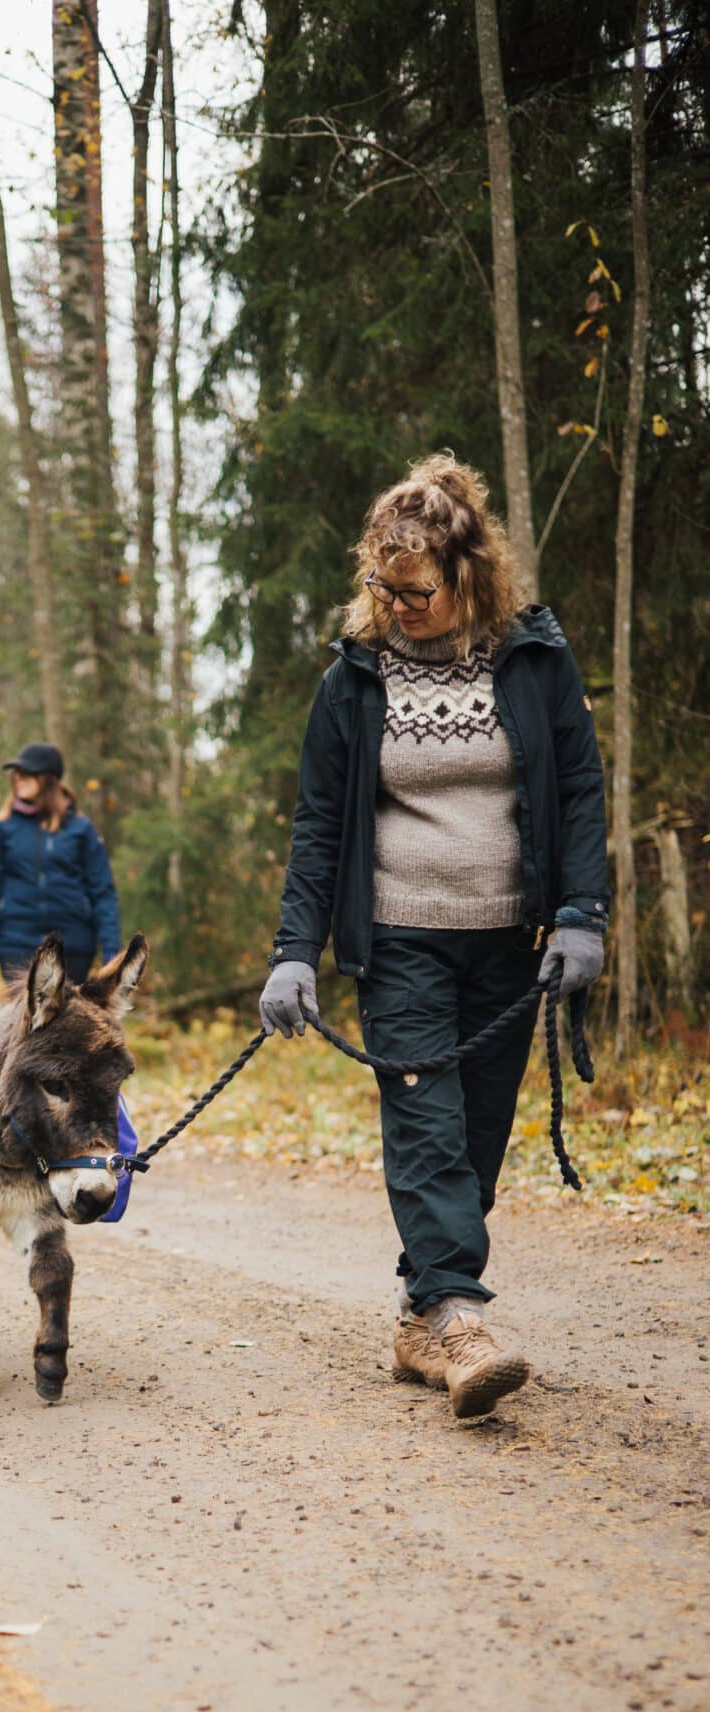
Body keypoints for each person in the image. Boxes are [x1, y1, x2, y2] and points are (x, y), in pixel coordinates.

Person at [258, 454, 607, 1419]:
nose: (396, 604)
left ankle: (418, 1317)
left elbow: (578, 789)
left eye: (414, 589)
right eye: (382, 585)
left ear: (465, 576)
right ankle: (457, 1319)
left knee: (476, 1139)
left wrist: (581, 916)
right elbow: (319, 823)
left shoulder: (531, 663)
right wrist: (295, 951)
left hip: (509, 939)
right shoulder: (353, 680)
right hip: (400, 940)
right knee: (424, 1128)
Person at [0, 741, 121, 992]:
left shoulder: (80, 829)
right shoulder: (2, 830)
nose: (19, 778)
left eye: (28, 773)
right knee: (26, 1029)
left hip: (73, 948)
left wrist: (111, 952)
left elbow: (102, 893)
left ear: (49, 779)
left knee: (68, 1027)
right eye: (17, 773)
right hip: (17, 947)